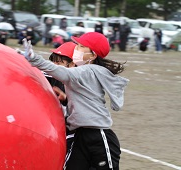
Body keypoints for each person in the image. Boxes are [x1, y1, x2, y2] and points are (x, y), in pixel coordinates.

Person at [22, 32, 129, 170]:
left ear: (93, 55)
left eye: (81, 46)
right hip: (80, 135)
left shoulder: (88, 71)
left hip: (98, 136)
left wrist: (33, 58)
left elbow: (59, 71)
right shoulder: (88, 71)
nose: (76, 49)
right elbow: (86, 96)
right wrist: (66, 99)